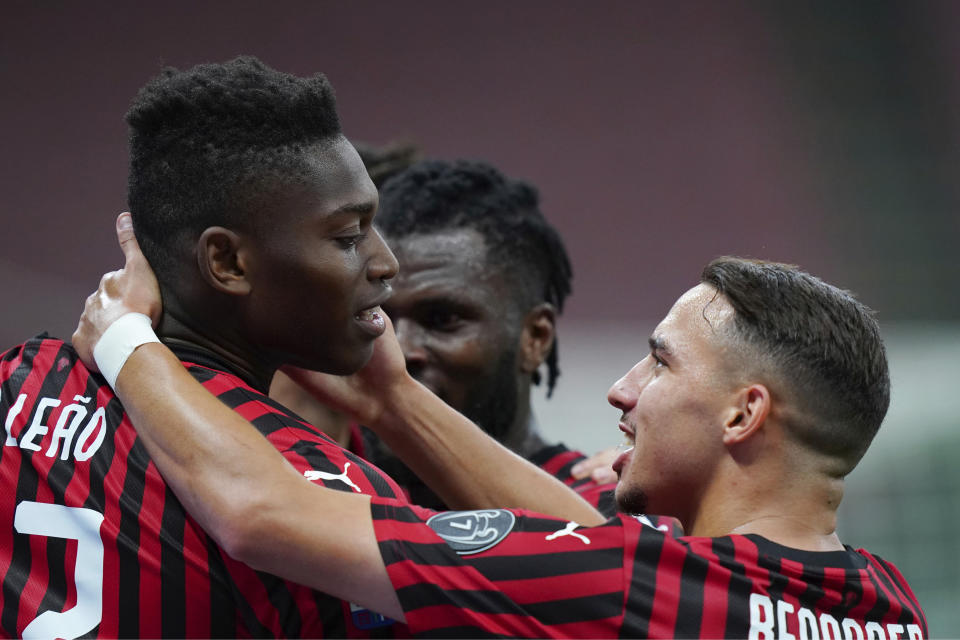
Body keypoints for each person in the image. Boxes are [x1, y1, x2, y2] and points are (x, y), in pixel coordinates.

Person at [0, 57, 600, 638]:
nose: (384, 262)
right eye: (347, 236)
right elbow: (596, 586)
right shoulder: (331, 492)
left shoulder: (17, 383)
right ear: (228, 261)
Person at [75, 239, 929, 638]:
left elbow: (260, 516)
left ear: (743, 415)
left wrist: (124, 339)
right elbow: (606, 553)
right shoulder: (889, 606)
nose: (623, 389)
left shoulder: (637, 589)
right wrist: (394, 401)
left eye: (660, 366)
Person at [359, 159, 623, 513]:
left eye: (441, 319)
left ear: (535, 338)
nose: (399, 348)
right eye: (375, 314)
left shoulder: (608, 510)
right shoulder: (318, 495)